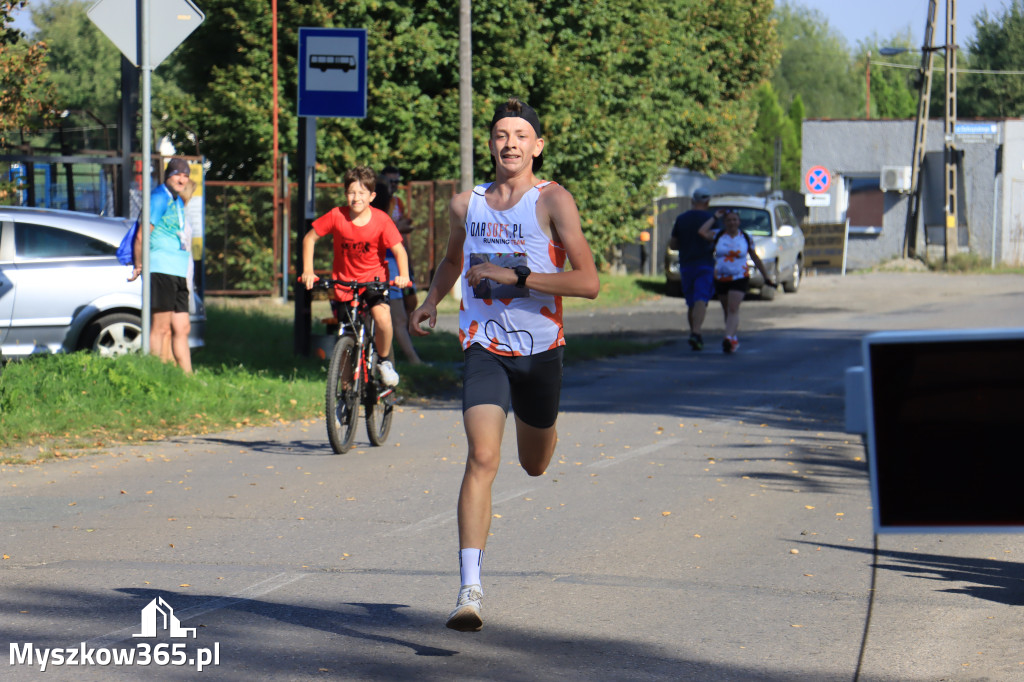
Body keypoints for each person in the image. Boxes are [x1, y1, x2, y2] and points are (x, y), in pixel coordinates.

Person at [409, 97, 600, 632]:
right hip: (484, 345)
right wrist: (430, 302)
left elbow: (587, 282)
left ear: (537, 146)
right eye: (501, 134)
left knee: (534, 463)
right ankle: (469, 589)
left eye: (521, 135)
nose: (510, 143)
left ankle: (544, 426)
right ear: (491, 144)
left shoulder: (553, 201)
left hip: (541, 350)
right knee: (482, 457)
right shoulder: (464, 205)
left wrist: (516, 276)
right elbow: (452, 260)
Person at [300, 166, 410, 387]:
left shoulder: (381, 220)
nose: (356, 198)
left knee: (382, 318)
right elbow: (309, 239)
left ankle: (385, 361)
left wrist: (404, 275)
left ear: (372, 196)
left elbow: (399, 250)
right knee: (345, 336)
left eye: (362, 193)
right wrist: (308, 271)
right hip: (345, 285)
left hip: (374, 282)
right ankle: (345, 394)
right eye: (351, 192)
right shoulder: (336, 216)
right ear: (345, 194)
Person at [130, 158, 193, 374]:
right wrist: (139, 265)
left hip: (177, 270)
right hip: (161, 269)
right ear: (168, 175)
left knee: (182, 327)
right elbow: (141, 235)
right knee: (160, 328)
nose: (182, 179)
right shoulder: (158, 198)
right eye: (177, 174)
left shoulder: (176, 200)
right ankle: (154, 375)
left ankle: (188, 378)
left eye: (186, 175)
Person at [697, 208, 776, 354]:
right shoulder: (718, 235)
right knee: (727, 310)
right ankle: (732, 338)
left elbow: (755, 257)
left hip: (739, 276)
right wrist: (715, 217)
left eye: (735, 220)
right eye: (729, 220)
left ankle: (727, 337)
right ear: (725, 222)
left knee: (733, 308)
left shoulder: (745, 237)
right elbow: (702, 232)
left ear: (739, 222)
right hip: (721, 277)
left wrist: (766, 276)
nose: (732, 223)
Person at [371, 180, 422, 365]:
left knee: (406, 305)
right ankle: (410, 359)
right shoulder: (383, 219)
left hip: (386, 266)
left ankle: (381, 360)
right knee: (397, 319)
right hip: (390, 267)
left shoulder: (367, 216)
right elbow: (395, 240)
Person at [668, 187, 715, 350]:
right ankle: (696, 332)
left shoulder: (681, 219)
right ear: (707, 202)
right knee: (701, 298)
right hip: (705, 263)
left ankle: (695, 333)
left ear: (692, 201)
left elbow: (673, 244)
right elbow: (716, 240)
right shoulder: (711, 219)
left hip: (686, 264)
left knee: (691, 301)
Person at [382, 165, 420, 318]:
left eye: (396, 181)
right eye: (390, 181)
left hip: (399, 256)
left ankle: (405, 330)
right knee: (392, 300)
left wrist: (409, 263)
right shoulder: (378, 200)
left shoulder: (397, 202)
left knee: (411, 299)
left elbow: (402, 234)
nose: (394, 185)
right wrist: (399, 227)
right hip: (385, 256)